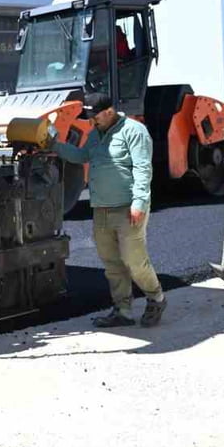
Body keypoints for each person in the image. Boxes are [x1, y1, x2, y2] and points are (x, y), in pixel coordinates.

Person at [48, 92, 166, 328]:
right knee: (112, 263)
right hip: (101, 208)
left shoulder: (134, 131)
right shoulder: (95, 134)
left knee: (134, 261)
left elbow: (143, 169)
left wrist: (139, 203)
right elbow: (82, 155)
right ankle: (122, 310)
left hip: (127, 208)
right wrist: (53, 145)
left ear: (110, 112)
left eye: (95, 115)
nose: (92, 120)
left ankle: (156, 298)